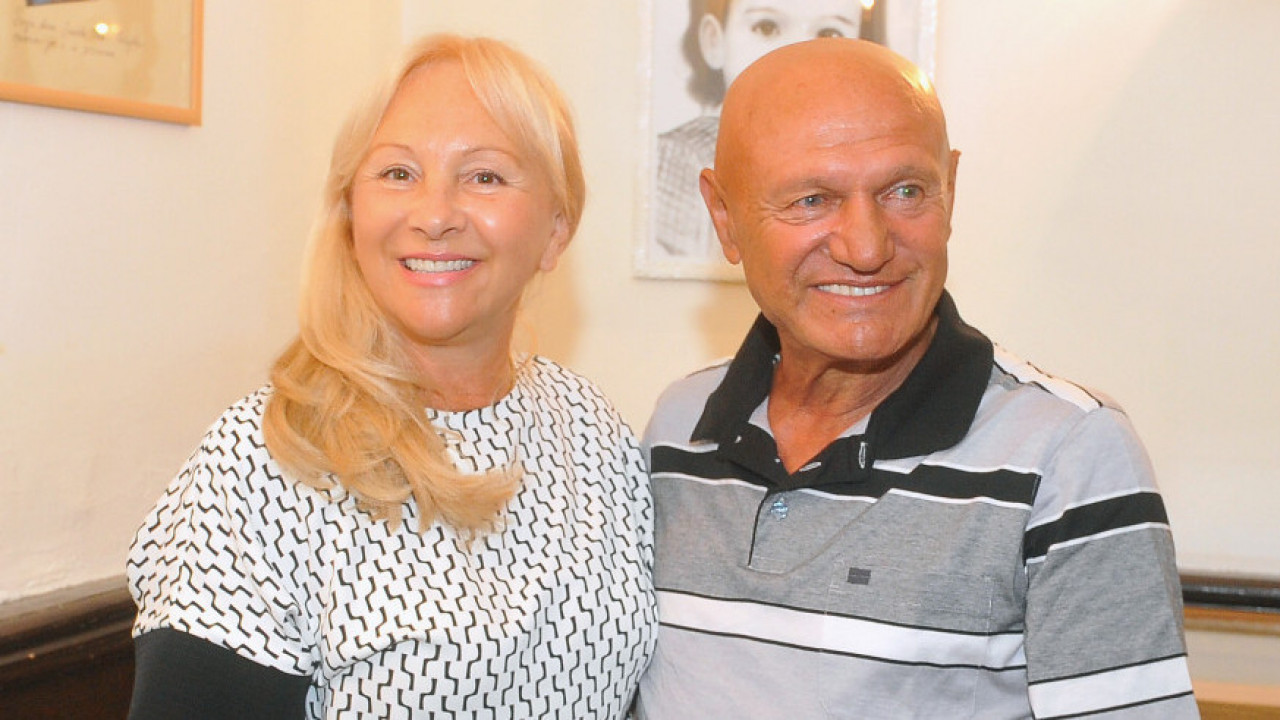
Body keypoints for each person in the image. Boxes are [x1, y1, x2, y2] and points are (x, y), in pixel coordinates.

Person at [638, 38, 1197, 719]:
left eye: (905, 191)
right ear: (724, 218)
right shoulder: (675, 433)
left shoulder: (1069, 454)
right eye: (812, 200)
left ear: (950, 191)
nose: (867, 247)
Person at [127, 34, 657, 719]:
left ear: (557, 229)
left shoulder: (591, 431)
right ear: (351, 215)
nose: (434, 216)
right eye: (398, 173)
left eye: (484, 177)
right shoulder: (263, 463)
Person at [653, 0, 866, 261]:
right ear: (714, 41)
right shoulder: (682, 156)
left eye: (828, 35)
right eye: (766, 28)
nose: (797, 55)